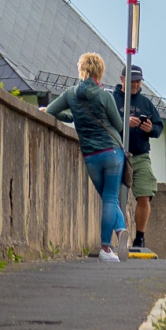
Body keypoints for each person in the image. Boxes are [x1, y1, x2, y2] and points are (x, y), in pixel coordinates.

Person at [44, 53, 127, 262]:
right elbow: (119, 126)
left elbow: (51, 111)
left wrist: (69, 117)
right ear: (99, 72)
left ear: (81, 70)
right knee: (110, 198)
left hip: (91, 156)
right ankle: (106, 248)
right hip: (112, 153)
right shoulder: (105, 96)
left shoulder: (70, 94)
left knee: (107, 198)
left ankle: (120, 231)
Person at [113, 65, 164, 253]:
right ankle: (120, 237)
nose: (135, 84)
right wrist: (124, 122)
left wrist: (149, 128)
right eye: (131, 80)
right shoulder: (112, 99)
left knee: (144, 194)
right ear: (122, 79)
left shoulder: (146, 103)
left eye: (138, 81)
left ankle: (140, 238)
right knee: (118, 197)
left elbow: (159, 128)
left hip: (140, 156)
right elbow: (104, 121)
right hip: (117, 153)